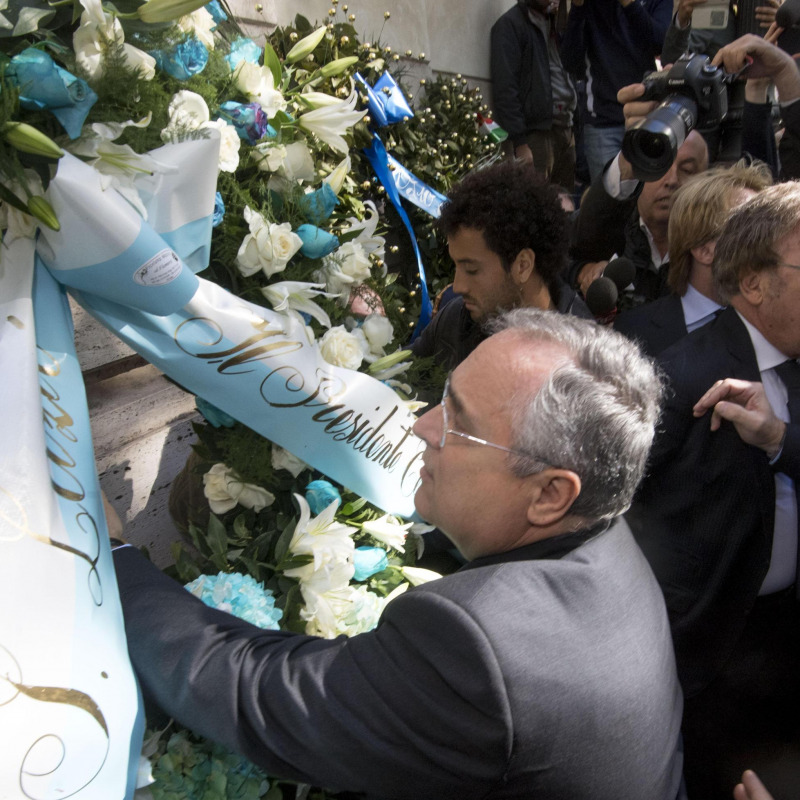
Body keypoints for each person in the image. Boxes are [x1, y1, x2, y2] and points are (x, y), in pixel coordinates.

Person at [113, 309, 684, 800]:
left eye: (460, 423)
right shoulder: (610, 540)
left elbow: (258, 693)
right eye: (444, 400)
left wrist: (114, 556)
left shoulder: (482, 647)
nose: (420, 426)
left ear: (551, 494)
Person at [626, 181, 800, 800]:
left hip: (783, 651)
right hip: (708, 660)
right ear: (754, 283)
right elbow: (616, 513)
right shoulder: (679, 376)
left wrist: (779, 437)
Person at [411, 160, 592, 371]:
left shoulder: (583, 363)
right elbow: (401, 378)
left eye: (472, 270)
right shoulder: (456, 319)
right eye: (456, 267)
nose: (458, 286)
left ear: (523, 265)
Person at [614, 160, 771, 356]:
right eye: (750, 228)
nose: (768, 243)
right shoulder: (632, 333)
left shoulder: (779, 327)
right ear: (704, 249)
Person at [569, 129, 709, 303]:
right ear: (640, 170)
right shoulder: (609, 223)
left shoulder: (715, 248)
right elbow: (558, 254)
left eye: (687, 170)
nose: (672, 180)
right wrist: (581, 271)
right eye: (661, 166)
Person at [560, 0, 672, 181]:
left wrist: (630, 4)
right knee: (609, 201)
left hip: (645, 115)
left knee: (647, 193)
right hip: (602, 121)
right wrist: (578, 8)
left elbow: (661, 44)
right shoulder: (590, 6)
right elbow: (570, 61)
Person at [490, 0, 577, 189]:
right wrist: (520, 142)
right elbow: (506, 89)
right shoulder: (510, 25)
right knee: (536, 205)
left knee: (565, 206)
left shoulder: (554, 23)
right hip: (536, 137)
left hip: (565, 130)